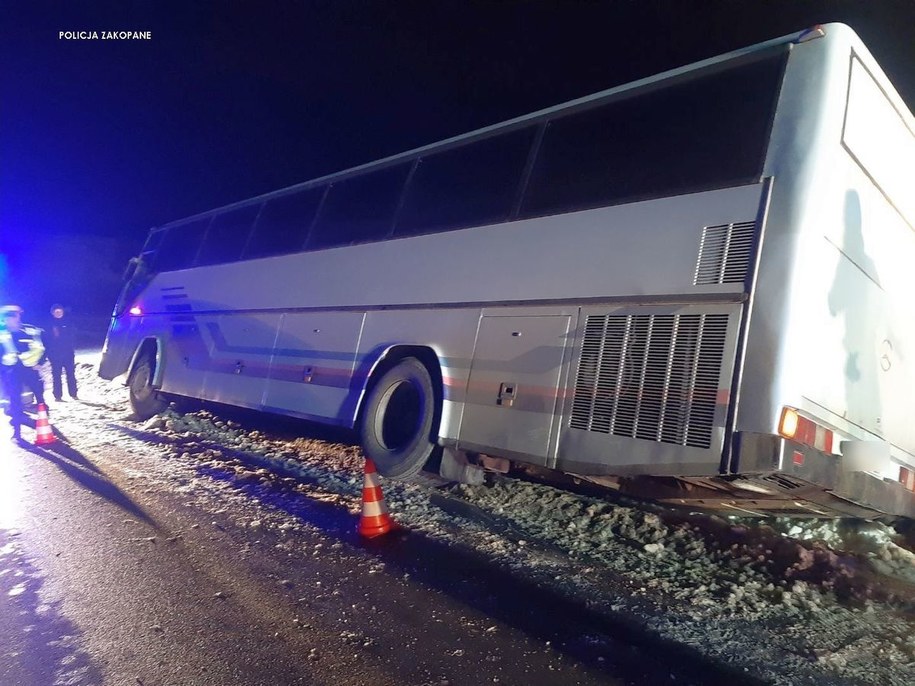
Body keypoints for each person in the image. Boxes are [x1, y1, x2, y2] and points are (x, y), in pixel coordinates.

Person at [0, 305, 47, 442]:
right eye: (10, 318)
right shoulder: (2, 334)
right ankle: (17, 432)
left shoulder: (28, 331)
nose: (14, 320)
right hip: (12, 371)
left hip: (29, 369)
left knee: (39, 393)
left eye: (16, 317)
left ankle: (44, 422)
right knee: (15, 399)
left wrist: (40, 363)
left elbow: (42, 347)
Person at [45, 303, 78, 401]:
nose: (58, 313)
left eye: (60, 311)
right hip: (55, 354)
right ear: (53, 313)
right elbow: (47, 339)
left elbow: (73, 335)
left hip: (68, 353)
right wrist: (49, 352)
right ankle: (58, 395)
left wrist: (70, 345)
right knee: (56, 374)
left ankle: (73, 393)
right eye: (56, 312)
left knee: (71, 373)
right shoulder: (49, 324)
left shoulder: (68, 322)